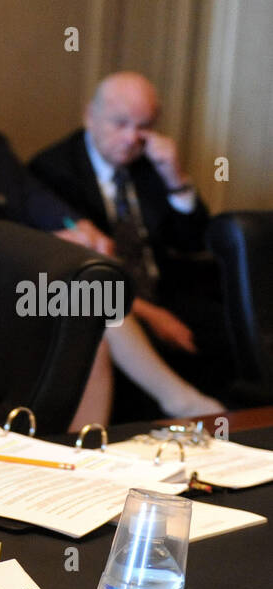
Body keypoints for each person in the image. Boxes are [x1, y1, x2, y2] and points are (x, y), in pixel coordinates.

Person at [0, 53, 220, 421]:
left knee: (85, 316)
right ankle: (178, 400)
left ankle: (88, 444)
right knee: (87, 296)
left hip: (33, 282)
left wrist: (78, 225)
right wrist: (45, 244)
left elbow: (36, 198)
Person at [29, 72, 224, 399]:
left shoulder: (151, 163)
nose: (132, 137)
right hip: (104, 300)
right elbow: (71, 273)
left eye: (144, 126)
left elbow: (195, 242)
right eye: (120, 124)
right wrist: (151, 314)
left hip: (164, 287)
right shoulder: (55, 170)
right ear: (90, 116)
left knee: (234, 321)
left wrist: (176, 179)